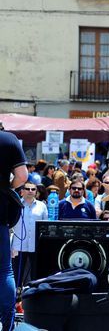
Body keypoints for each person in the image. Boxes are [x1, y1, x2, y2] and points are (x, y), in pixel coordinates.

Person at [0, 126, 28, 331]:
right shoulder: (9, 140)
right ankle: (7, 323)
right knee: (4, 271)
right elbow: (22, 176)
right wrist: (8, 187)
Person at [11, 182, 48, 288]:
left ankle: (34, 295)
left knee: (35, 275)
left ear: (36, 192)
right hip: (19, 246)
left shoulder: (42, 206)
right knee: (17, 274)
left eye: (33, 189)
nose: (30, 191)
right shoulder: (16, 205)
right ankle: (17, 296)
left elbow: (45, 226)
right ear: (22, 191)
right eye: (28, 189)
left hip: (36, 246)